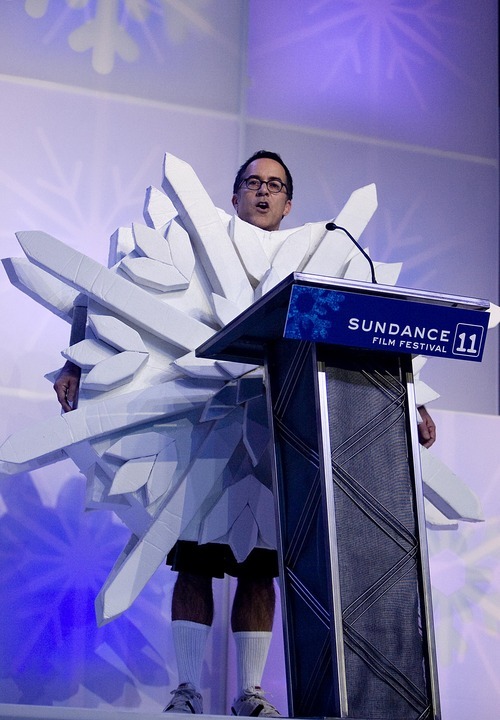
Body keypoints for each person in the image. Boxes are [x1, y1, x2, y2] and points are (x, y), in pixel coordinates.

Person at [53, 150, 436, 716]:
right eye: (252, 183)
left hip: (277, 431)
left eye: (274, 185)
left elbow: (367, 322)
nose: (262, 192)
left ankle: (249, 693)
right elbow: (109, 292)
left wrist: (415, 401)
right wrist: (74, 362)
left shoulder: (317, 254)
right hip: (199, 427)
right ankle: (186, 690)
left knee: (261, 569)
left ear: (288, 201)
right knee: (195, 562)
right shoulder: (190, 240)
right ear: (233, 195)